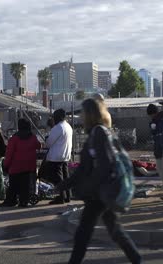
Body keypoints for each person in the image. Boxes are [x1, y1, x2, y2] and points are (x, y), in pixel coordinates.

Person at [59, 98, 141, 264]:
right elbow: (84, 167)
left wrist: (88, 187)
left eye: (83, 112)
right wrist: (64, 185)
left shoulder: (99, 133)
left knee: (83, 233)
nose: (80, 116)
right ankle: (136, 259)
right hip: (101, 192)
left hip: (98, 193)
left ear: (89, 114)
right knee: (114, 230)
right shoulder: (97, 133)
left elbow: (104, 165)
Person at [0, 118, 41, 207]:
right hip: (29, 166)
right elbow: (39, 146)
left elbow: (9, 154)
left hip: (16, 167)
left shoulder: (14, 139)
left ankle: (11, 201)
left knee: (13, 186)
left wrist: (6, 165)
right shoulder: (33, 137)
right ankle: (23, 201)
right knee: (25, 186)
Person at [44, 109, 73, 205]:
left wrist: (46, 138)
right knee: (65, 177)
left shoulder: (58, 128)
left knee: (58, 178)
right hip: (65, 156)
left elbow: (48, 143)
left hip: (56, 157)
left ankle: (61, 197)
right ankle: (67, 196)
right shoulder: (68, 126)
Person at [146, 103, 163, 200]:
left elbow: (160, 135)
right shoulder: (157, 120)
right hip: (161, 149)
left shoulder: (161, 120)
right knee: (162, 170)